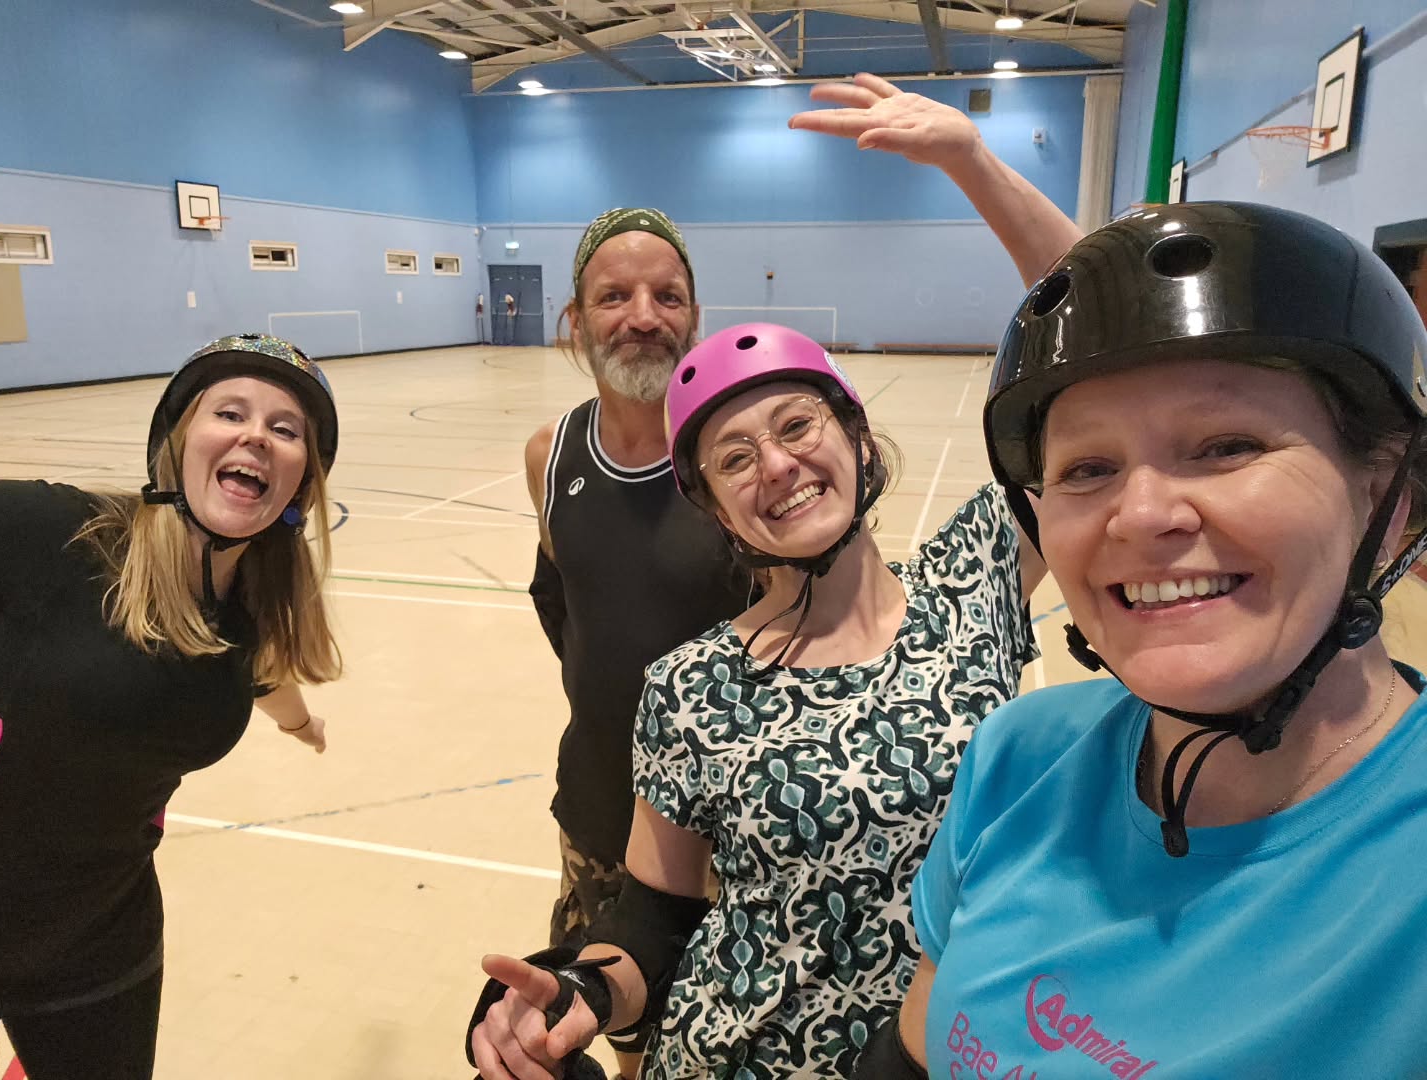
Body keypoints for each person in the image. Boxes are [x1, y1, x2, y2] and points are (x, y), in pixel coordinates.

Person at [468, 72, 1081, 1080]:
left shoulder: (972, 583)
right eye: (736, 457)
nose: (780, 466)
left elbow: (1105, 351)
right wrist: (583, 993)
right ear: (714, 507)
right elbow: (654, 923)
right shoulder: (691, 685)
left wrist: (972, 161)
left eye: (798, 424)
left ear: (857, 435)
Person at [874, 202, 1427, 1078]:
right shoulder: (1018, 758)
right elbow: (914, 1048)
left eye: (1226, 446)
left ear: (1387, 501)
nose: (1140, 515)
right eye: (1088, 468)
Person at [0, 333, 342, 1080]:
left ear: (301, 484)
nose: (256, 436)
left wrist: (301, 724)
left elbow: (258, 673)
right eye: (230, 413)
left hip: (99, 936)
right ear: (177, 443)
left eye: (284, 429)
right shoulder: (61, 535)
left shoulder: (249, 606)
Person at [523, 204, 757, 1078]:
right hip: (598, 811)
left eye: (668, 295)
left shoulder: (734, 454)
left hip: (731, 834)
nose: (643, 316)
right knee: (617, 1029)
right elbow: (567, 605)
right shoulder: (550, 454)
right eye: (614, 296)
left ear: (695, 316)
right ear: (576, 321)